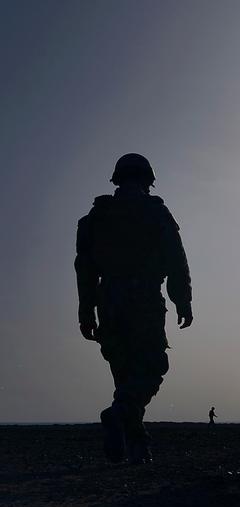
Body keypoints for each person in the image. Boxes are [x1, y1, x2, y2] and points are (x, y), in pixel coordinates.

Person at [75, 153, 193, 464]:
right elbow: (176, 260)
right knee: (152, 367)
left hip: (108, 302)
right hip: (143, 298)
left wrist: (86, 311)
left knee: (125, 376)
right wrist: (183, 300)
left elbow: (84, 270)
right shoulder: (155, 212)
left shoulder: (95, 218)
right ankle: (119, 417)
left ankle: (136, 448)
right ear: (147, 180)